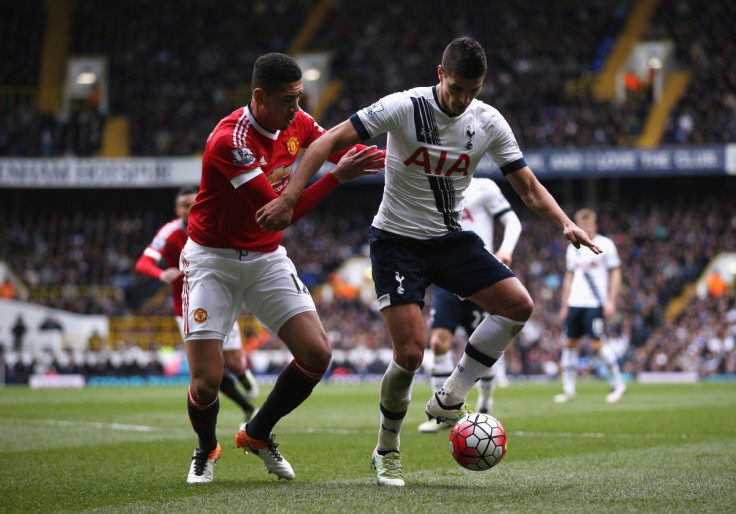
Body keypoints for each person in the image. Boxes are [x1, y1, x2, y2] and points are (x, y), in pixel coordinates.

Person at [255, 36, 601, 487]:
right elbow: (326, 143)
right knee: (411, 354)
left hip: (449, 239)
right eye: (456, 88)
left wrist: (564, 224)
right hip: (396, 242)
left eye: (472, 91)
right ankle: (387, 450)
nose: (462, 99)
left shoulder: (488, 122)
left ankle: (452, 394)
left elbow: (529, 188)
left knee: (519, 304)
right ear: (441, 74)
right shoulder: (403, 106)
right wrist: (288, 198)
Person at [179, 52, 384, 484]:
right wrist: (335, 178)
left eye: (300, 98)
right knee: (205, 384)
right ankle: (205, 448)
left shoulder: (297, 121)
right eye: (289, 99)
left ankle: (257, 433)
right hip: (211, 260)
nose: (298, 108)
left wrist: (399, 155)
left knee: (317, 353)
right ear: (260, 96)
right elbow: (278, 213)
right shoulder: (229, 141)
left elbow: (336, 145)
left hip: (266, 258)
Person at [135, 187, 260, 426]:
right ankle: (248, 408)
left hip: (221, 300)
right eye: (184, 205)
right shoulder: (169, 232)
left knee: (233, 363)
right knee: (209, 369)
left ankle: (243, 375)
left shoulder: (215, 224)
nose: (190, 208)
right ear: (177, 209)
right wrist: (161, 274)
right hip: (187, 309)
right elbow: (143, 262)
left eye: (194, 203)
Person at [417, 176, 521, 434]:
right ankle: (443, 415)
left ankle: (486, 405)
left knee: (482, 345)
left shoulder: (484, 186)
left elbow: (512, 221)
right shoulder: (433, 185)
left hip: (478, 276)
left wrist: (505, 250)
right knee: (438, 342)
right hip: (445, 277)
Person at [554, 208, 624, 404]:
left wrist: (611, 301)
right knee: (569, 343)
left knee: (596, 345)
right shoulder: (572, 248)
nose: (584, 228)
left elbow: (615, 273)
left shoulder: (606, 244)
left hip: (595, 303)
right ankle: (568, 390)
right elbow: (569, 277)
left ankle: (618, 384)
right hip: (575, 302)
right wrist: (565, 304)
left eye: (588, 225)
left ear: (595, 225)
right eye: (580, 225)